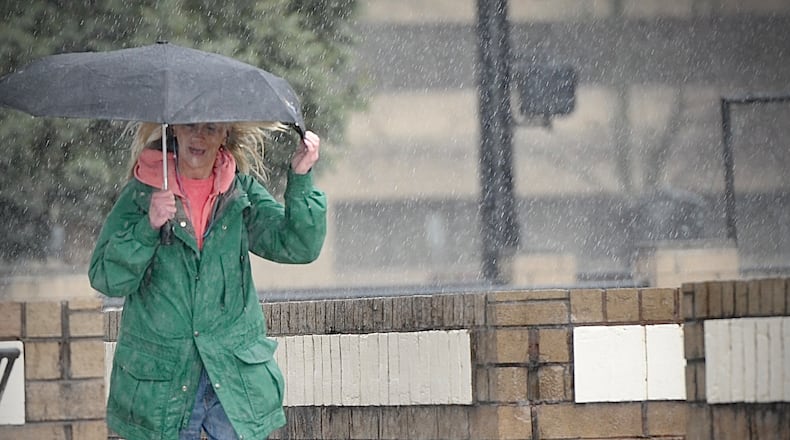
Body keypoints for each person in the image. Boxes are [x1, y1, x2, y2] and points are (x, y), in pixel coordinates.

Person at [89, 121, 326, 440]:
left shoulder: (241, 192)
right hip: (163, 384)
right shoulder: (142, 192)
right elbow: (106, 277)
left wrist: (300, 176)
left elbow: (299, 245)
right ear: (174, 130)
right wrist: (147, 227)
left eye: (211, 128)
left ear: (225, 134)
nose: (198, 136)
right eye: (190, 126)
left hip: (232, 377)